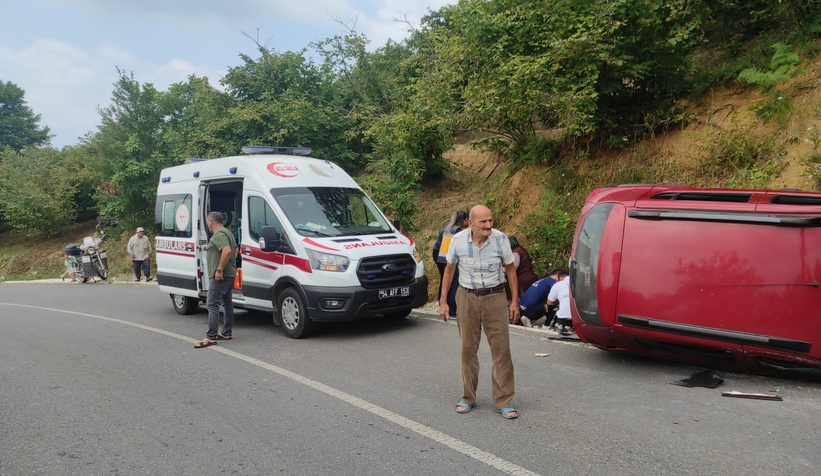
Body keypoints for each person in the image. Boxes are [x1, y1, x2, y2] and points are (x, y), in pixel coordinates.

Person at [439, 204, 520, 420]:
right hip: (467, 297)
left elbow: (511, 271)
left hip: (495, 296)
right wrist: (443, 301)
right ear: (470, 223)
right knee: (468, 349)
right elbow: (449, 271)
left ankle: (503, 400)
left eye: (491, 221)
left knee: (502, 350)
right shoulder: (456, 240)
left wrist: (514, 302)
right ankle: (468, 397)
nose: (488, 225)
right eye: (483, 222)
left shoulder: (501, 239)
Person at [195, 211, 239, 349]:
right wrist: (231, 264)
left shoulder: (219, 234)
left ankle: (211, 337)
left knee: (212, 304)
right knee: (227, 302)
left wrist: (220, 269)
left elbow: (227, 251)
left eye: (207, 222)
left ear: (210, 222)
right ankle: (226, 332)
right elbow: (236, 249)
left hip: (221, 275)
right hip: (229, 273)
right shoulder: (228, 233)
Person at [432, 210, 468, 315]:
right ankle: (452, 309)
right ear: (464, 220)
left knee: (444, 279)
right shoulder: (458, 231)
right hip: (448, 256)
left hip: (438, 254)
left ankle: (442, 302)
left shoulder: (447, 226)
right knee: (453, 282)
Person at [505, 235, 538, 300]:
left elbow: (512, 268)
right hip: (529, 277)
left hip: (523, 280)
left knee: (525, 300)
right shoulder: (521, 249)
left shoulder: (516, 253)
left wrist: (502, 269)